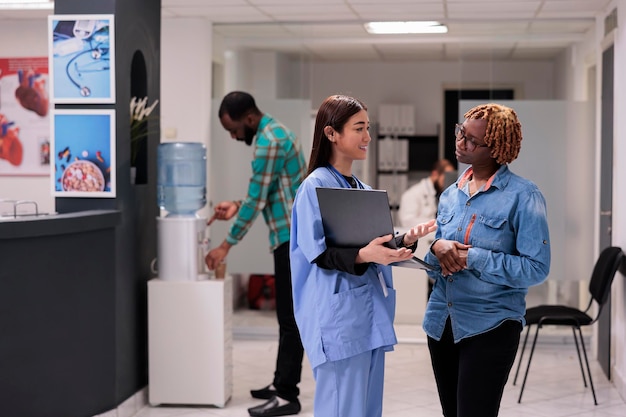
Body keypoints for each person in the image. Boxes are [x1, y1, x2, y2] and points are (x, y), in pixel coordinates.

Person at [290, 94, 437, 417]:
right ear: (331, 134)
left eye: (368, 128)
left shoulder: (362, 188)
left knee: (368, 409)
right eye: (359, 128)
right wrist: (364, 255)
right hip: (338, 319)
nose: (367, 137)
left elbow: (370, 243)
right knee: (341, 408)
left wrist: (404, 240)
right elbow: (320, 253)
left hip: (367, 315)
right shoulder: (313, 188)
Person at [423, 103, 551, 417]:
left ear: (495, 149)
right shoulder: (450, 193)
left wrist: (475, 258)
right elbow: (437, 262)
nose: (460, 143)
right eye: (460, 132)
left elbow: (537, 267)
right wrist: (436, 248)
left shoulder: (524, 196)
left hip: (491, 324)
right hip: (443, 322)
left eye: (471, 140)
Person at [205, 91, 307, 417]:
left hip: (293, 238)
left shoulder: (269, 142)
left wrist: (225, 245)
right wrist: (236, 205)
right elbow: (264, 190)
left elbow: (257, 199)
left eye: (233, 129)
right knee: (287, 319)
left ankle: (287, 396)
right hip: (291, 235)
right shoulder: (273, 132)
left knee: (291, 320)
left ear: (248, 119)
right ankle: (281, 383)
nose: (234, 137)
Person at [397, 158, 454, 229]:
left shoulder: (439, 194)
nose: (447, 182)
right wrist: (437, 223)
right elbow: (407, 221)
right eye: (445, 177)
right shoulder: (413, 193)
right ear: (435, 174)